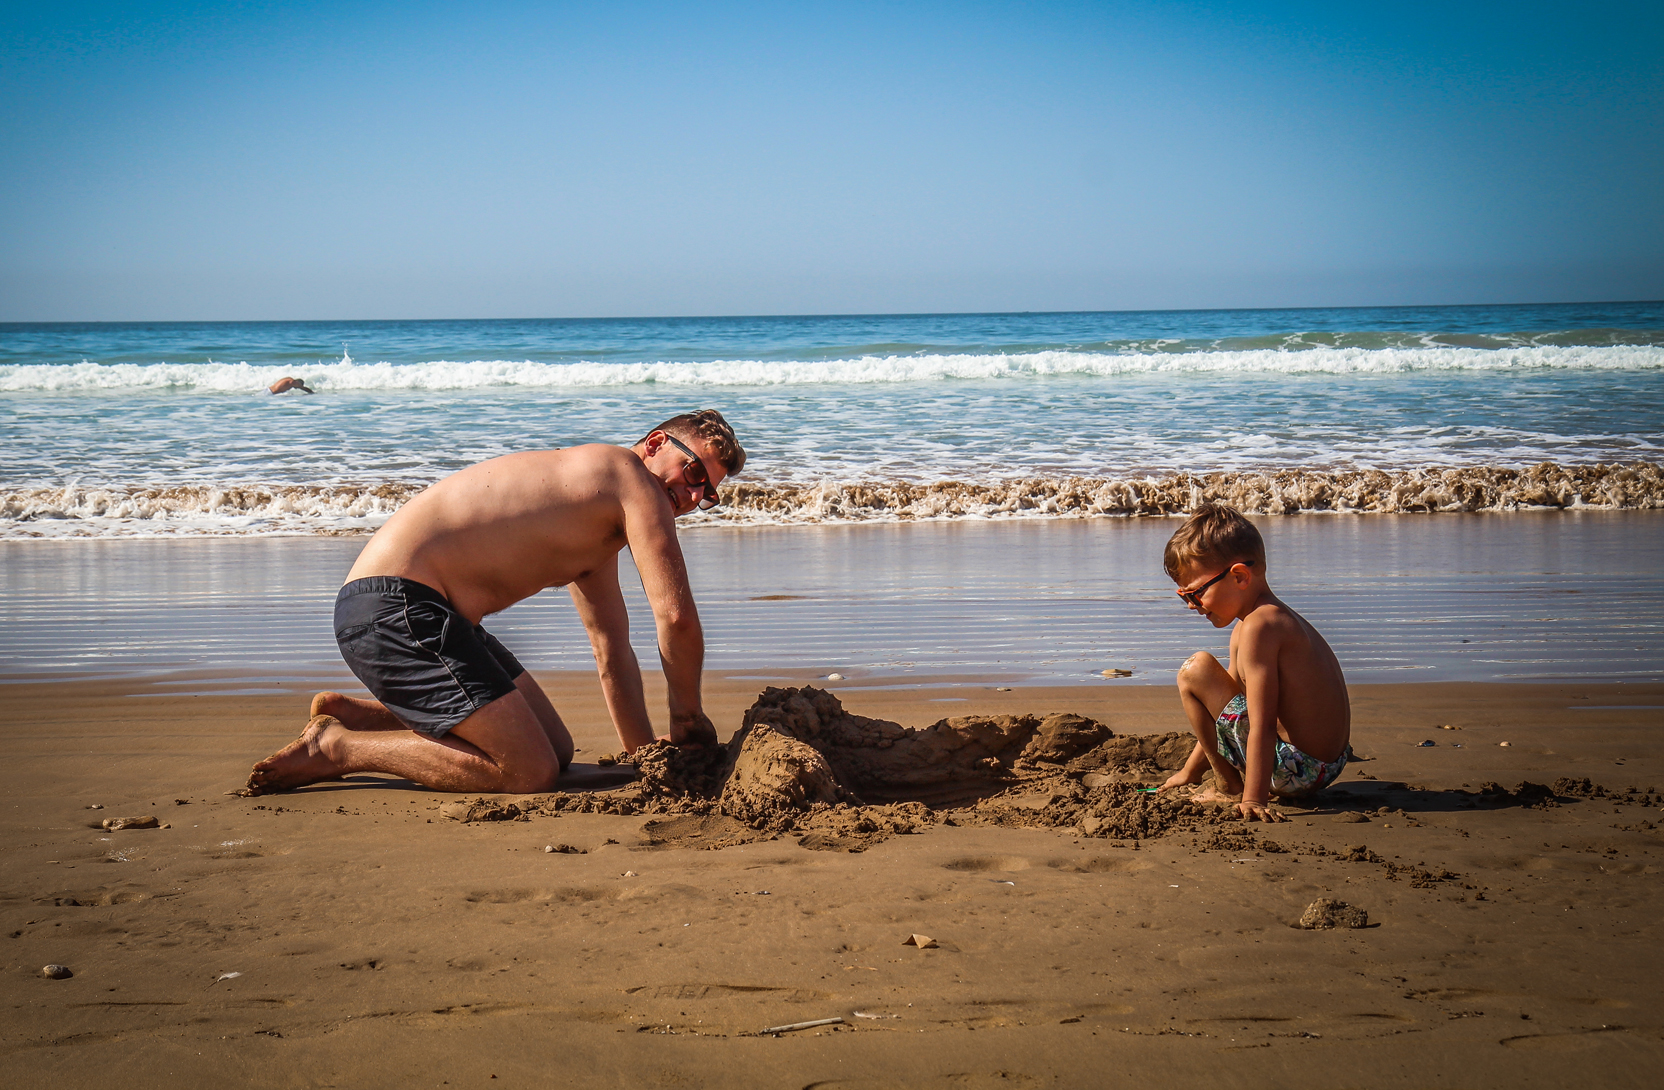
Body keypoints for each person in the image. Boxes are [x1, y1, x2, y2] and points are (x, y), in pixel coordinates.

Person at [246, 409, 744, 795]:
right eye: (694, 471)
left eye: (710, 494)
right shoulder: (627, 476)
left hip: (425, 617)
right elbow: (675, 617)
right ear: (656, 444)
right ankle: (337, 747)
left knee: (558, 747)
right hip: (394, 609)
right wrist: (686, 717)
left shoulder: (596, 529)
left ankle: (355, 715)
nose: (696, 496)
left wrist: (645, 760)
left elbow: (611, 650)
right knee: (529, 769)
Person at [1155, 504, 1351, 821]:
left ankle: (1230, 786)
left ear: (1240, 576)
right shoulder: (1257, 622)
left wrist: (1255, 799)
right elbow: (1228, 711)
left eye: (1195, 593)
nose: (1192, 606)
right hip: (1326, 764)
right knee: (1205, 676)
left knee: (1196, 669)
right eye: (1184, 596)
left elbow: (1260, 722)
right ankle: (1210, 775)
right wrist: (1188, 772)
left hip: (1299, 769)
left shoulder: (1260, 628)